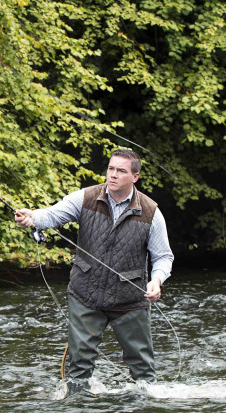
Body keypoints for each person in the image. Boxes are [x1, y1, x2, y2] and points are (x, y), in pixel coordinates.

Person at [15, 148, 173, 391]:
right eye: (111, 168)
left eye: (121, 171)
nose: (113, 175)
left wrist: (157, 280)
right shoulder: (86, 198)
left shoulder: (151, 212)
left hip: (130, 300)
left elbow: (163, 256)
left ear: (135, 177)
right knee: (78, 366)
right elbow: (53, 214)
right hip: (85, 295)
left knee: (143, 370)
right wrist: (32, 217)